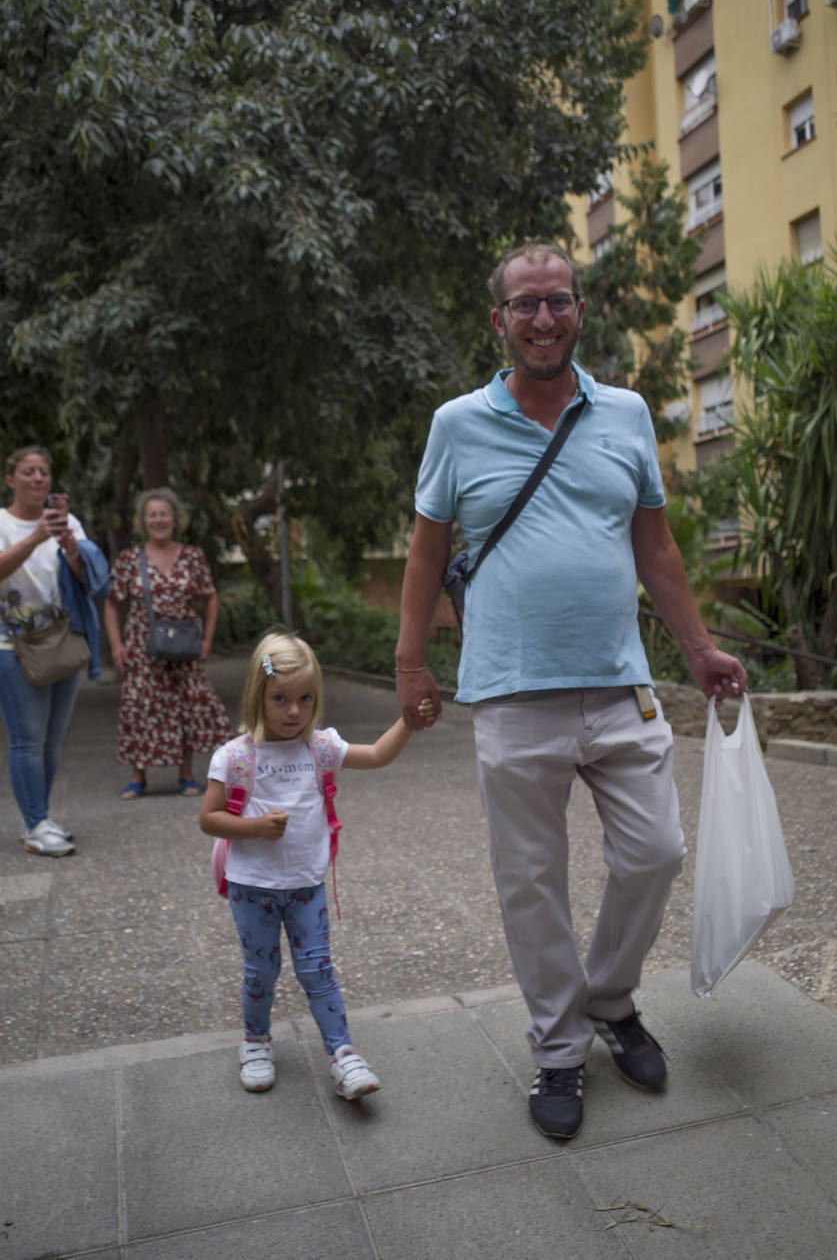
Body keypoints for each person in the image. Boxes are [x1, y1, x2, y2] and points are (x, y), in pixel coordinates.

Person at [395, 241, 748, 1140]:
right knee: (532, 880)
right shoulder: (457, 424)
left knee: (656, 851)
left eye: (557, 301)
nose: (543, 318)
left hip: (621, 683)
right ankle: (558, 1050)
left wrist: (698, 647)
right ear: (499, 321)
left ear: (579, 311)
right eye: (525, 305)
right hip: (513, 694)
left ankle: (609, 997)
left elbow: (656, 546)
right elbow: (429, 552)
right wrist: (409, 661)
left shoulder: (626, 414)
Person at [199, 630, 434, 1096]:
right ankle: (255, 1041)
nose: (294, 711)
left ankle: (343, 1054)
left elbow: (377, 754)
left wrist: (407, 722)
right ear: (256, 697)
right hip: (252, 886)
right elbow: (209, 818)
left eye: (305, 699)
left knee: (317, 969)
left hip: (306, 886)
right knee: (260, 971)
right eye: (280, 699)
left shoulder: (320, 748)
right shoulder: (235, 757)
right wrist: (255, 827)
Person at [0, 445, 108, 856]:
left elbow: (86, 578)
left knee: (51, 740)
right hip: (13, 644)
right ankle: (34, 824)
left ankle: (40, 817)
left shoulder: (69, 522)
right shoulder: (4, 523)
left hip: (61, 641)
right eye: (27, 471)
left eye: (43, 472)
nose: (37, 479)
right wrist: (36, 537)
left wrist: (72, 548)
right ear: (11, 479)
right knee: (26, 739)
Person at [103, 487, 230, 798]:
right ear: (143, 521)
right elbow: (111, 603)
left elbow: (210, 597)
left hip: (184, 647)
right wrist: (117, 645)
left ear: (175, 519)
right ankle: (137, 777)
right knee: (140, 709)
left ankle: (186, 776)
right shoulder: (129, 559)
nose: (159, 520)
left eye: (164, 514)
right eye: (152, 515)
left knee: (185, 707)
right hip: (142, 647)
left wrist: (207, 639)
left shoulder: (192, 557)